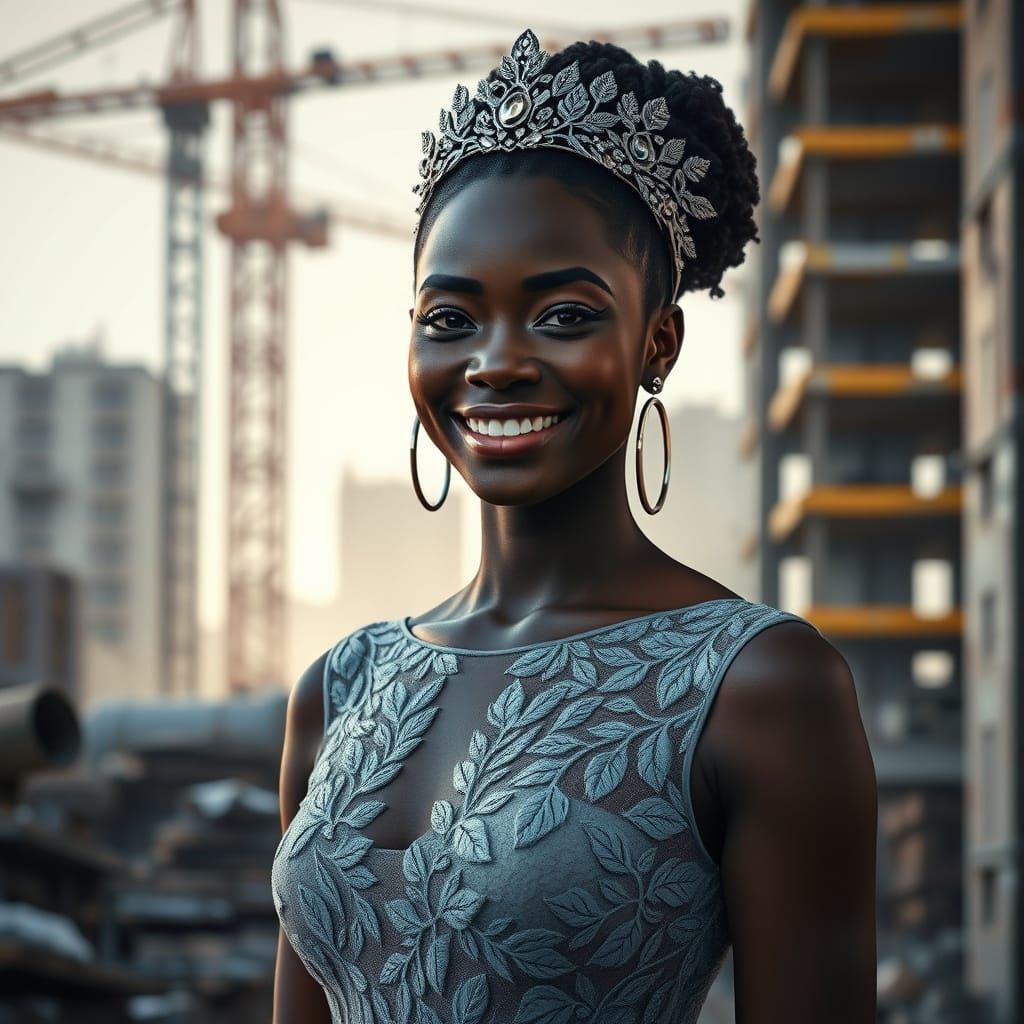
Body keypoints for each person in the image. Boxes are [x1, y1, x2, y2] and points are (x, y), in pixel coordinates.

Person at [272, 28, 877, 1024]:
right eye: (450, 318)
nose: (495, 361)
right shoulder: (336, 690)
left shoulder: (761, 687)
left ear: (657, 344)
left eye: (560, 315)